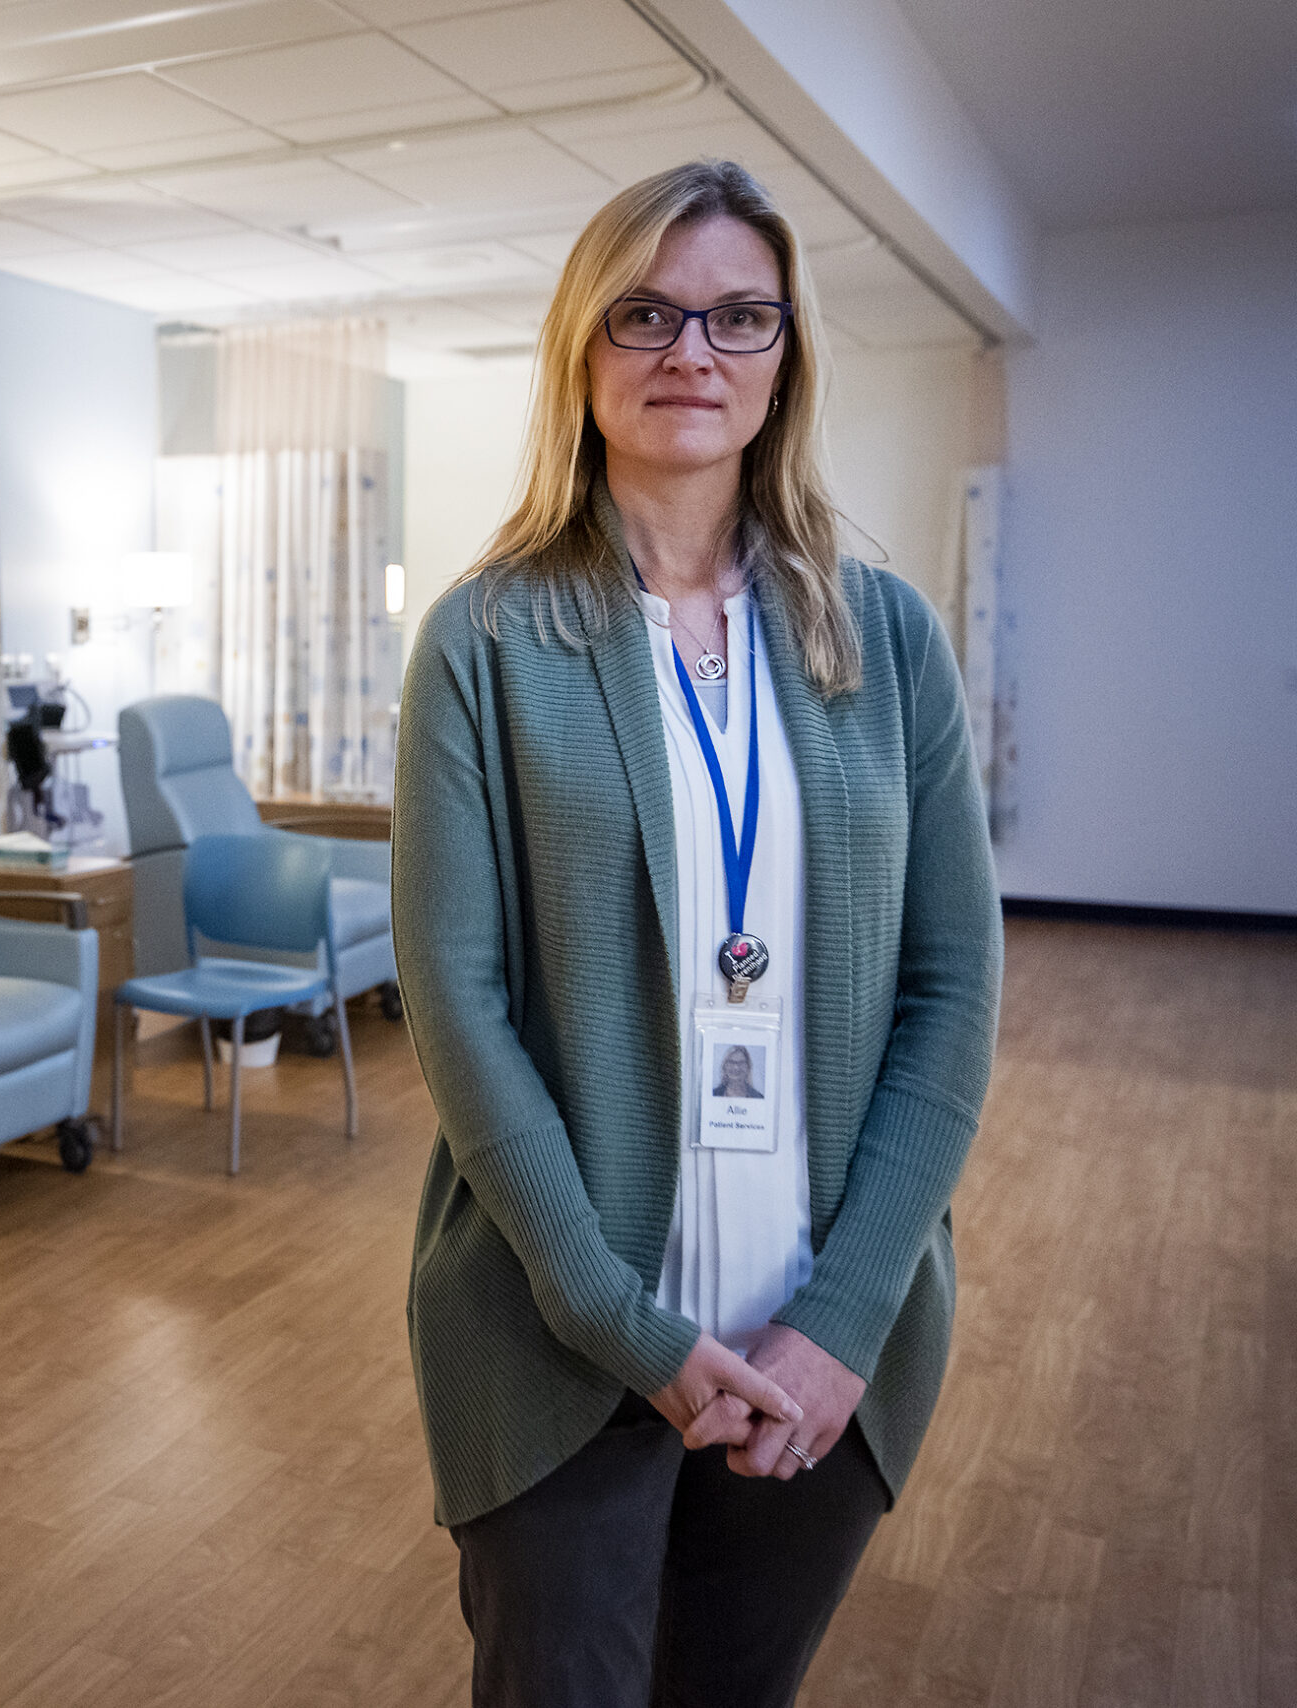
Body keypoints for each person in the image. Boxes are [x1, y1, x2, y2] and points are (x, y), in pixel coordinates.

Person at [392, 158, 1001, 1707]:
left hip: (820, 1345)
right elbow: (457, 1001)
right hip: (564, 1336)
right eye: (648, 313)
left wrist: (847, 1313)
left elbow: (951, 991)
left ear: (786, 358)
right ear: (583, 350)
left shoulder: (889, 638)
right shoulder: (487, 638)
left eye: (742, 318)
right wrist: (622, 1322)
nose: (693, 354)